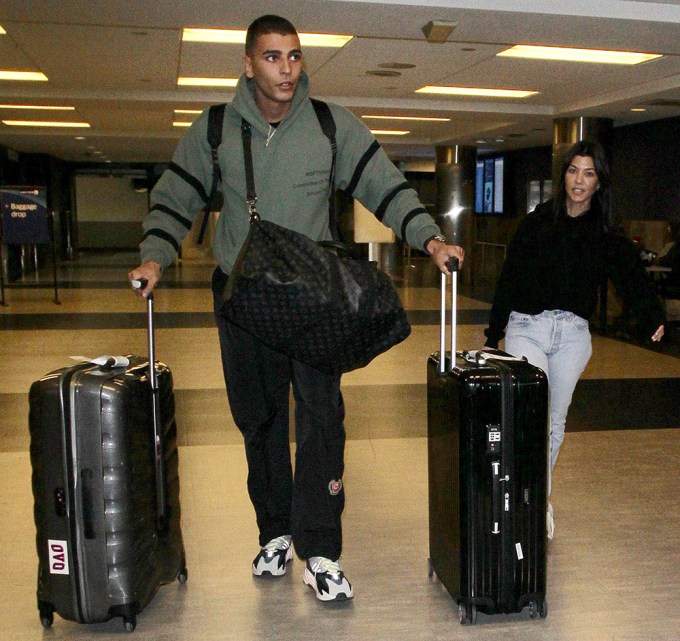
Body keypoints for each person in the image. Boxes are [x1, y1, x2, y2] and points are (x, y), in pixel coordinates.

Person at [128, 14, 464, 602]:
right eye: (272, 57)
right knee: (258, 419)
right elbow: (176, 196)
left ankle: (322, 549)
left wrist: (429, 239)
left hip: (312, 299)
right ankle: (275, 532)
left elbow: (386, 185)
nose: (286, 69)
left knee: (320, 418)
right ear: (248, 63)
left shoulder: (330, 125)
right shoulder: (214, 129)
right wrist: (155, 256)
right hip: (243, 295)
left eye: (294, 56)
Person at [482, 140, 664, 539]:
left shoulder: (605, 233)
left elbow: (630, 277)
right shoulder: (538, 222)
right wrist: (493, 335)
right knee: (533, 412)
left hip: (573, 337)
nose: (579, 180)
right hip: (527, 328)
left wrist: (652, 316)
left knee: (554, 423)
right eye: (572, 171)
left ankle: (536, 500)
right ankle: (515, 494)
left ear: (598, 182)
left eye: (589, 173)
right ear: (562, 176)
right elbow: (510, 277)